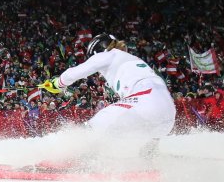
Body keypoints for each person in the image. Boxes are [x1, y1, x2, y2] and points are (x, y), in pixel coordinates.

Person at [42, 33, 176, 156]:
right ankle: (148, 156)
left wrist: (57, 83)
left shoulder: (110, 55)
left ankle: (71, 158)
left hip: (147, 98)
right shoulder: (133, 59)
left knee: (97, 124)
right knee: (115, 129)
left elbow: (75, 72)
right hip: (167, 117)